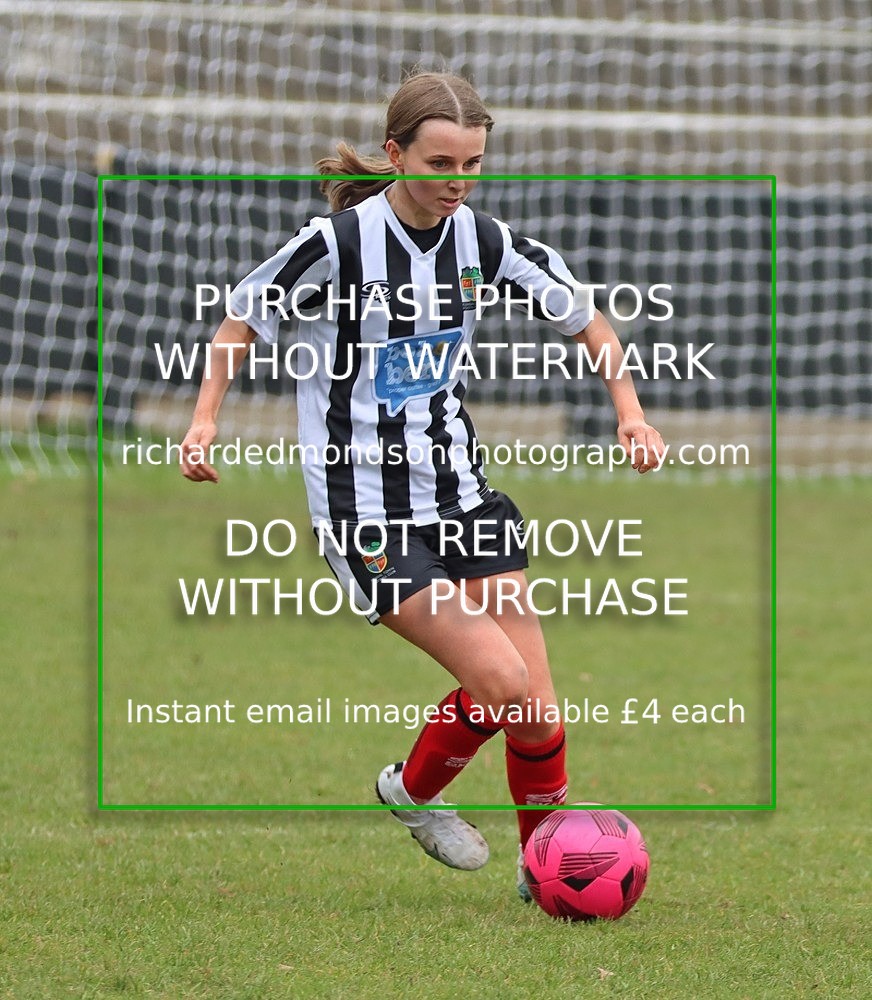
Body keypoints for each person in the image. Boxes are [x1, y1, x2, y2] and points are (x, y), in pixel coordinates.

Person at [180, 71, 664, 900]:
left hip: (463, 494)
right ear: (395, 153)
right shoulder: (336, 243)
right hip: (366, 510)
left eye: (474, 163)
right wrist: (203, 420)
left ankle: (542, 867)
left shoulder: (481, 237)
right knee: (502, 683)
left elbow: (583, 312)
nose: (457, 181)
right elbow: (242, 317)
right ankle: (410, 791)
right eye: (441, 161)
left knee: (538, 711)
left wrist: (630, 412)